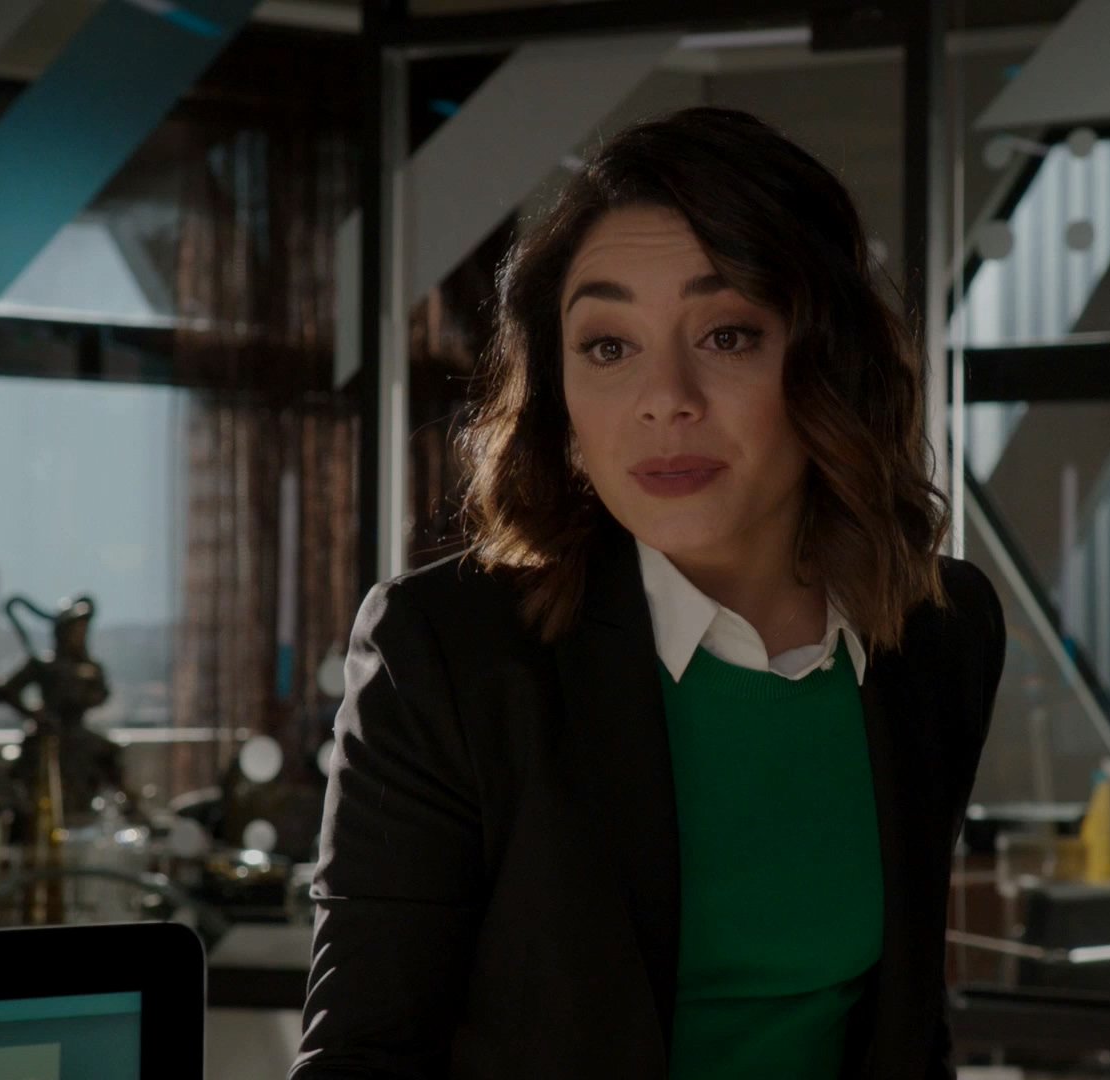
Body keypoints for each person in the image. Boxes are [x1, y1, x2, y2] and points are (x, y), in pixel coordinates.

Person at [294, 106, 1006, 1080]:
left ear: (830, 360)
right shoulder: (448, 654)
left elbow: (903, 1038)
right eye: (608, 346)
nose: (665, 398)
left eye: (727, 335)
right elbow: (362, 1063)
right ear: (560, 395)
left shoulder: (940, 632)